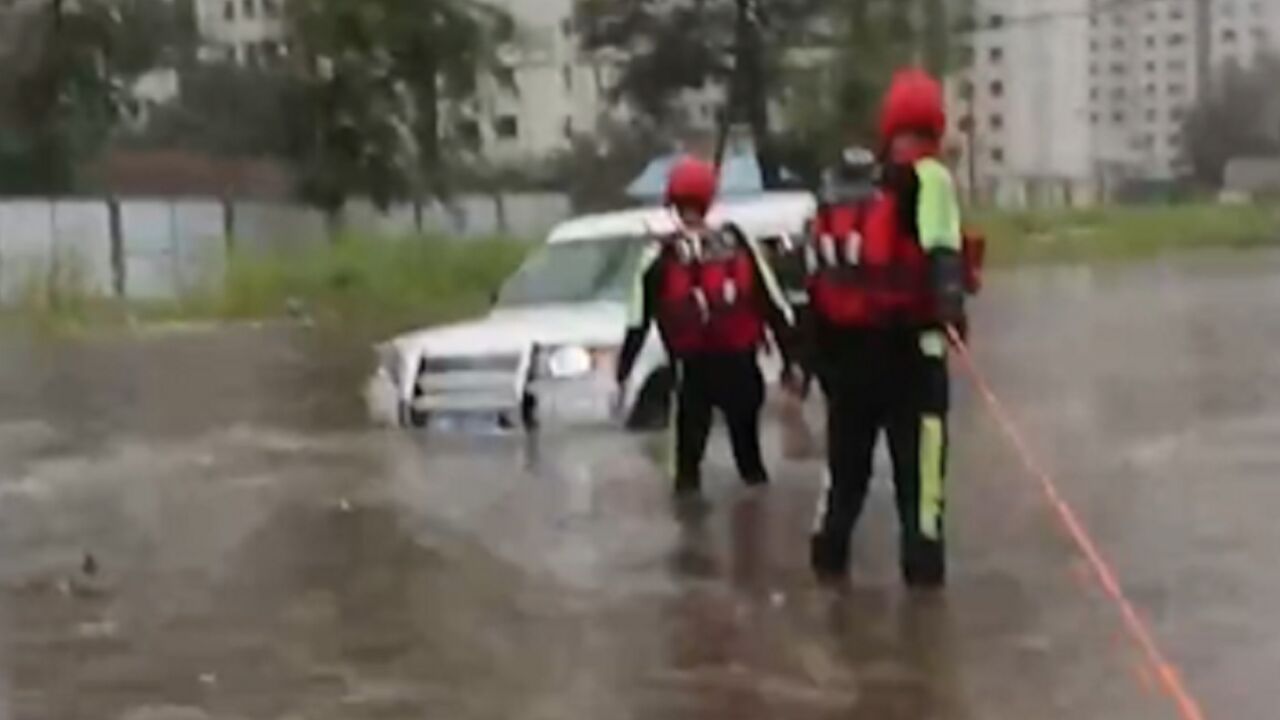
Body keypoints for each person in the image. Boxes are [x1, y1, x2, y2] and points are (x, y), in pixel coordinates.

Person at [804, 68, 971, 588]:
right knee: (919, 497)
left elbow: (814, 282)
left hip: (848, 360)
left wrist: (811, 363)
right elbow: (943, 255)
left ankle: (827, 594)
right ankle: (923, 620)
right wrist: (951, 315)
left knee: (843, 486)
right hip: (911, 358)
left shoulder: (849, 192)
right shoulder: (932, 177)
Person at [616, 156, 798, 497]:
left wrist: (623, 372)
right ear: (710, 198)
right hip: (741, 366)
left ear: (672, 201)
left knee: (686, 472)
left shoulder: (659, 254)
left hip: (692, 372)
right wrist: (791, 359)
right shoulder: (737, 243)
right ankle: (757, 536)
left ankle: (690, 537)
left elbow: (637, 319)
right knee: (751, 464)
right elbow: (772, 303)